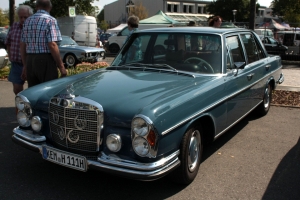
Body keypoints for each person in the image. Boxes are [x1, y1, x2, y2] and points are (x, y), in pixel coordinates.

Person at [20, 0, 67, 88]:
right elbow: (52, 44)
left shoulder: (27, 21)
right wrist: (61, 67)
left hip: (30, 60)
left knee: (34, 91)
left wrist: (25, 65)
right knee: (48, 90)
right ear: (49, 7)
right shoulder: (50, 20)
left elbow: (22, 45)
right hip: (45, 59)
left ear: (37, 7)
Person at [5, 5, 33, 95]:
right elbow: (8, 42)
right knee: (17, 90)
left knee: (33, 89)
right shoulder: (14, 26)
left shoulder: (33, 28)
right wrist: (10, 55)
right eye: (21, 17)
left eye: (25, 17)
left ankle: (30, 107)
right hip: (16, 63)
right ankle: (20, 107)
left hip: (30, 63)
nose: (22, 19)